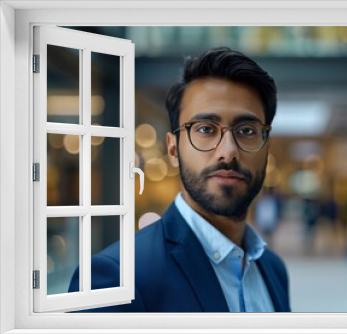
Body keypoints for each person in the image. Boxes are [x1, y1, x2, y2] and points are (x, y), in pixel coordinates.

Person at [68, 47, 291, 312]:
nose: (228, 151)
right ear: (173, 150)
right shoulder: (116, 279)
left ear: (266, 147)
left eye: (246, 130)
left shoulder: (274, 269)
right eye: (206, 129)